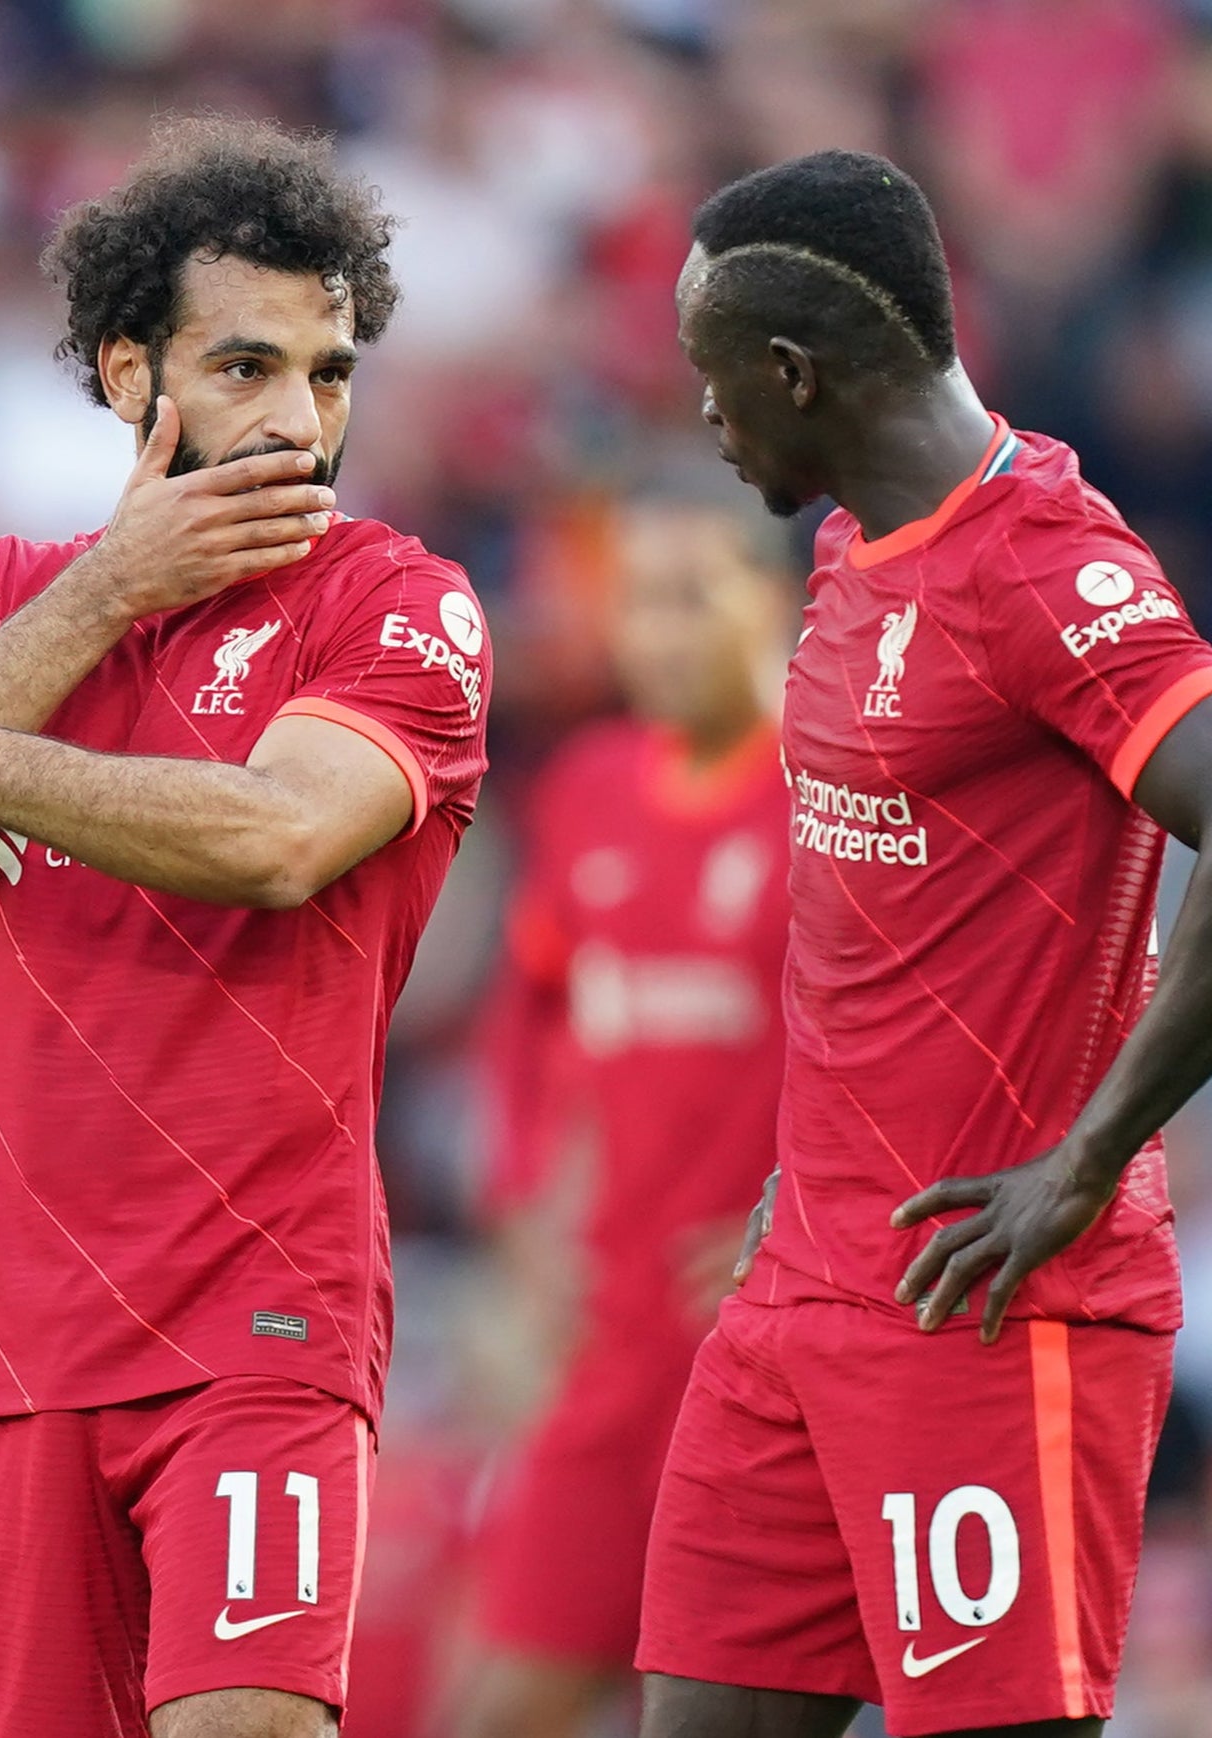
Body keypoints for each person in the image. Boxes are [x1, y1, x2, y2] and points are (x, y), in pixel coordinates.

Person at [0, 117, 491, 1738]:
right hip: (5, 1332)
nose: (299, 420)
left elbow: (275, 839)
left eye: (329, 372)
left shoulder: (396, 602)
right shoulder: (6, 594)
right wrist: (108, 590)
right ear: (131, 377)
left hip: (262, 1309)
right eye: (245, 366)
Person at [636, 150, 1212, 1738]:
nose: (703, 415)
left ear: (794, 373)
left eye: (711, 379)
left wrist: (1088, 1157)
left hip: (989, 1300)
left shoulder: (1045, 567)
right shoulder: (846, 547)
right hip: (802, 1289)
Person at [461, 500, 794, 1738]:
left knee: (731, 1708)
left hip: (761, 1341)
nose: (655, 633)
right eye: (638, 599)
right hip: (608, 1325)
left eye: (690, 594)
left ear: (778, 602)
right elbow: (532, 1012)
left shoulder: (833, 799)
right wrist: (518, 1206)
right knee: (505, 1700)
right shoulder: (590, 789)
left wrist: (803, 1212)